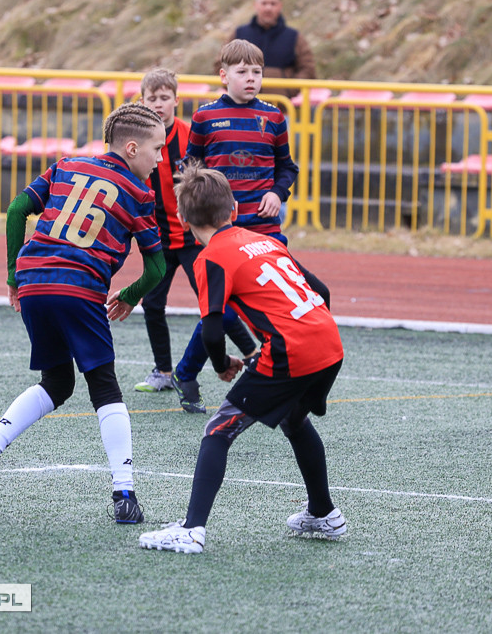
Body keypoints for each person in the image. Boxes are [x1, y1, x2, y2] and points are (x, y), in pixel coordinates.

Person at [0, 103, 169, 524]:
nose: (160, 159)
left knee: (57, 382)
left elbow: (16, 210)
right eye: (157, 149)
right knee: (104, 386)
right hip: (79, 287)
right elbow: (157, 267)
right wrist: (130, 295)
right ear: (131, 148)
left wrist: (14, 275)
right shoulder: (140, 193)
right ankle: (125, 494)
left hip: (34, 280)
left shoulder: (65, 165)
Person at [138, 164, 345, 554]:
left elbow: (212, 330)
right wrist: (310, 338)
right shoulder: (265, 240)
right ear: (234, 208)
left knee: (218, 430)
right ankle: (323, 512)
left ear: (182, 220)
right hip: (329, 342)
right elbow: (322, 291)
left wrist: (220, 365)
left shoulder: (211, 257)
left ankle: (191, 530)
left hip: (291, 351)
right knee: (294, 419)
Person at [171, 39, 299, 412]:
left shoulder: (274, 117)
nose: (251, 78)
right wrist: (193, 210)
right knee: (223, 307)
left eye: (257, 72)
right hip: (220, 229)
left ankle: (277, 371)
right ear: (224, 75)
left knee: (276, 298)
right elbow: (189, 169)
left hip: (264, 227)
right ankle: (187, 373)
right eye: (242, 72)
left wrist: (277, 192)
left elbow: (287, 167)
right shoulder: (205, 117)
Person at [131, 67, 258, 405]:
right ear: (142, 102)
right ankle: (163, 370)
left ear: (176, 100)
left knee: (216, 302)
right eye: (152, 98)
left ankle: (252, 354)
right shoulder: (138, 142)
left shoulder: (189, 136)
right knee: (152, 303)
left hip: (191, 237)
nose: (158, 104)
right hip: (157, 239)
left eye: (164, 98)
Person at [224, 0, 316, 99]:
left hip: (282, 107)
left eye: (273, 4)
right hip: (243, 106)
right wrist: (236, 88)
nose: (268, 8)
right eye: (264, 3)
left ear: (280, 6)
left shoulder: (294, 37)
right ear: (255, 5)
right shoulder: (239, 34)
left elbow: (308, 68)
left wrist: (289, 90)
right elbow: (222, 63)